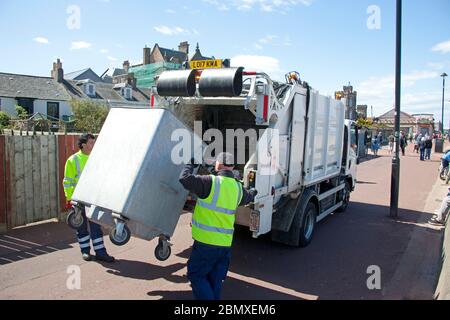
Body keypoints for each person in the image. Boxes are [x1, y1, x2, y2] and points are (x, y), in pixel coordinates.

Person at [179, 152, 257, 300]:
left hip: (206, 243)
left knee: (196, 275)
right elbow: (248, 196)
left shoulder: (209, 182)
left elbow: (184, 178)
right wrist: (253, 192)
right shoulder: (237, 188)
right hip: (225, 245)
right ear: (232, 167)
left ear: (217, 164)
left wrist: (191, 163)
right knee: (215, 280)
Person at [63, 134, 115, 263]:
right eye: (91, 143)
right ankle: (85, 252)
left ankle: (101, 253)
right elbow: (67, 182)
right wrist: (70, 200)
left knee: (96, 227)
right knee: (81, 228)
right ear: (83, 144)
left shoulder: (96, 159)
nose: (93, 145)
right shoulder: (73, 160)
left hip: (93, 199)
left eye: (94, 142)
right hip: (78, 200)